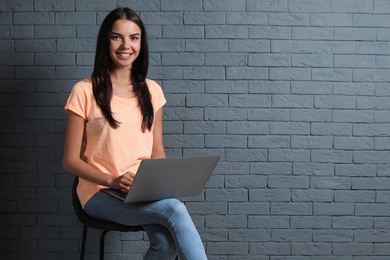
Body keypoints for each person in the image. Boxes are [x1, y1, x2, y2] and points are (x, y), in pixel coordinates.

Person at [63, 7, 207, 260]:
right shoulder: (84, 91)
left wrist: (158, 183)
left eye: (134, 37)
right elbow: (70, 160)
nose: (125, 45)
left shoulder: (152, 91)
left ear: (141, 42)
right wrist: (112, 181)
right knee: (174, 210)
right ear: (105, 40)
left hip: (140, 191)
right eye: (116, 36)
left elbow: (156, 151)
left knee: (165, 243)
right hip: (99, 192)